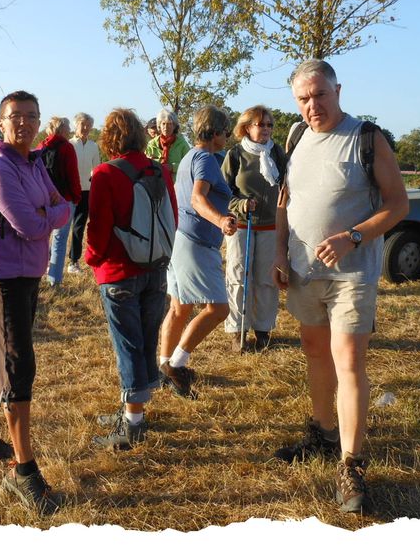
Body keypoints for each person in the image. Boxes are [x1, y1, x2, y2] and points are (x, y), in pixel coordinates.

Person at [271, 59, 409, 514]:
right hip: (302, 270)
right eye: (304, 99)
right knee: (314, 350)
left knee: (348, 360)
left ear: (338, 90)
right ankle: (323, 432)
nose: (314, 106)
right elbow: (286, 201)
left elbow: (398, 204)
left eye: (321, 95)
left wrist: (354, 236)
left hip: (353, 273)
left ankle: (351, 464)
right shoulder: (296, 138)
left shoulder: (367, 138)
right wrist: (278, 254)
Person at [0, 90, 72, 516]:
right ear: (1, 123)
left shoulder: (33, 163)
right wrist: (51, 215)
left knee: (0, 358)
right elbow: (33, 222)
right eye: (16, 117)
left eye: (32, 116)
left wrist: (51, 213)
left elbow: (62, 202)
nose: (24, 123)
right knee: (16, 362)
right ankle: (23, 468)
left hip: (27, 273)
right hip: (4, 276)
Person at [85, 108, 177, 449]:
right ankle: (132, 410)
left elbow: (98, 229)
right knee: (146, 339)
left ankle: (132, 424)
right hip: (155, 268)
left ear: (108, 139)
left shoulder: (106, 173)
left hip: (119, 271)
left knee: (128, 344)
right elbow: (172, 217)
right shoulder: (160, 169)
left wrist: (93, 261)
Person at [157, 105, 237, 398]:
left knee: (180, 308)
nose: (227, 136)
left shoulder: (190, 154)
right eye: (225, 131)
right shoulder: (205, 158)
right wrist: (221, 220)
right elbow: (197, 198)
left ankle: (164, 364)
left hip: (181, 239)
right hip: (195, 243)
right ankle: (176, 365)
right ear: (215, 132)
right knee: (219, 308)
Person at [222, 105, 287, 353]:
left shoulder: (278, 154)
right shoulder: (236, 154)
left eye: (270, 125)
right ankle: (238, 330)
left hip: (272, 226)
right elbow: (222, 192)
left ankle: (263, 330)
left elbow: (287, 185)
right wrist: (240, 204)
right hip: (241, 226)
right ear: (247, 127)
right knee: (239, 278)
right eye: (261, 124)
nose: (267, 129)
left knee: (266, 280)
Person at [36, 116, 81, 286]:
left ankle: (38, 273)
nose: (69, 130)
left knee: (42, 238)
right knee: (60, 241)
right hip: (64, 200)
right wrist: (76, 197)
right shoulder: (67, 148)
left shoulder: (41, 146)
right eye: (68, 127)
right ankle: (54, 280)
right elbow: (73, 175)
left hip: (43, 199)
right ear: (62, 130)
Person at [67, 112, 100, 274]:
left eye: (88, 125)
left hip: (86, 191)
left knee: (79, 227)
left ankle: (74, 261)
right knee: (60, 228)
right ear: (76, 125)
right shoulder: (69, 145)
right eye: (83, 124)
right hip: (69, 191)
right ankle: (51, 259)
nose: (86, 128)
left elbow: (97, 168)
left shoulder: (94, 146)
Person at [145, 107, 191, 178]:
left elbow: (190, 165)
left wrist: (172, 167)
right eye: (163, 124)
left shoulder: (182, 144)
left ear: (174, 126)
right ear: (159, 125)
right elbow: (144, 164)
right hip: (156, 184)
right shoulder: (151, 144)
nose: (166, 127)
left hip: (176, 185)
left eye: (169, 124)